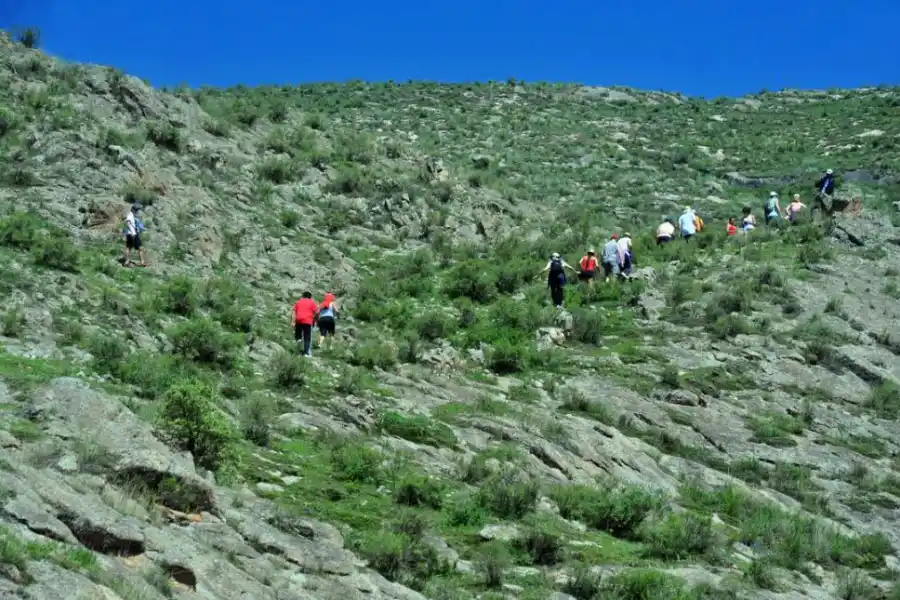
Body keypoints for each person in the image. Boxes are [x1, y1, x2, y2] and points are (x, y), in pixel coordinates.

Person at [292, 291, 318, 357]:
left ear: (303, 296)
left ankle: (299, 343)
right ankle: (306, 353)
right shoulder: (312, 302)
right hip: (307, 321)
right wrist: (315, 320)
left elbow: (294, 312)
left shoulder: (298, 302)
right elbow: (317, 312)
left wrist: (293, 322)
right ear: (310, 297)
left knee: (298, 336)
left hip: (298, 321)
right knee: (307, 338)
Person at [122, 203, 147, 267]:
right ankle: (142, 262)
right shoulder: (130, 215)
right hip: (133, 234)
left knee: (128, 247)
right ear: (134, 210)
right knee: (140, 248)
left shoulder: (131, 215)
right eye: (137, 210)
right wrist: (133, 233)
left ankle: (126, 262)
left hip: (129, 234)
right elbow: (128, 223)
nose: (138, 211)